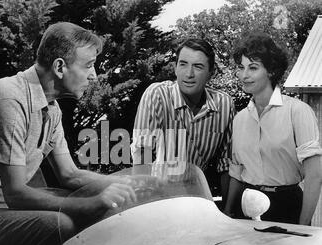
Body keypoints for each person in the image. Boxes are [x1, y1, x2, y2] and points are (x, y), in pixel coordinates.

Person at [0, 22, 140, 245]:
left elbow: (71, 175)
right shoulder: (9, 100)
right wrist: (93, 203)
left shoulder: (52, 109)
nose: (94, 76)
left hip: (3, 209)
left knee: (95, 209)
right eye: (88, 65)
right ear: (60, 67)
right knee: (60, 224)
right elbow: (15, 193)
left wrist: (128, 185)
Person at [224, 32, 322, 225]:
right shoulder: (240, 119)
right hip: (246, 205)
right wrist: (227, 211)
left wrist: (303, 227)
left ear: (271, 70)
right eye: (241, 68)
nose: (244, 75)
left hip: (286, 206)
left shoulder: (298, 111)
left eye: (252, 68)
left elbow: (315, 175)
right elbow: (236, 170)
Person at [131, 38, 235, 204]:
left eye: (198, 66)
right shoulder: (157, 95)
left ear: (211, 72)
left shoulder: (224, 104)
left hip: (198, 198)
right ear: (175, 68)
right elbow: (142, 154)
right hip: (158, 197)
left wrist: (229, 211)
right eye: (183, 64)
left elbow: (227, 164)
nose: (189, 74)